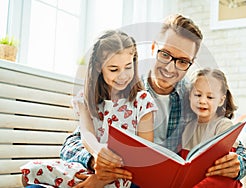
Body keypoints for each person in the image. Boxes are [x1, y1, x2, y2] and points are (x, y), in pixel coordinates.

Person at [60, 14, 246, 187]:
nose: (170, 68)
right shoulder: (123, 89)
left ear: (191, 63)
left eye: (183, 61)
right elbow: (72, 144)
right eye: (165, 55)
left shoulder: (193, 98)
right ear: (153, 48)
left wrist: (238, 165)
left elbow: (240, 151)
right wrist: (95, 160)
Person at [21, 30, 157, 188]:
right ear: (99, 67)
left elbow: (144, 152)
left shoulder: (142, 101)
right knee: (31, 175)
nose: (123, 76)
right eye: (114, 69)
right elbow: (87, 134)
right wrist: (97, 152)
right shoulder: (86, 100)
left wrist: (101, 178)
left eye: (128, 67)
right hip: (89, 167)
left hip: (123, 174)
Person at [180, 68, 242, 187]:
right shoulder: (188, 128)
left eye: (210, 97)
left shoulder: (223, 126)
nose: (202, 101)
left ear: (221, 100)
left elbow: (223, 173)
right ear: (189, 97)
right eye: (198, 95)